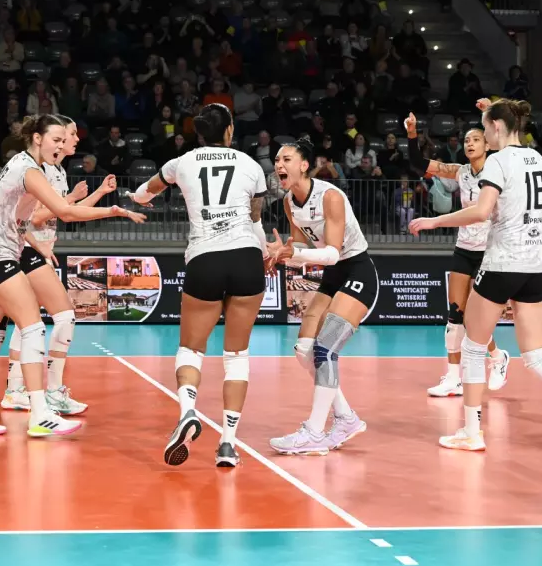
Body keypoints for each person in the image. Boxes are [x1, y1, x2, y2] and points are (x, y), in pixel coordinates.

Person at [409, 99, 542, 457]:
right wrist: (497, 107)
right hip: (533, 267)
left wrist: (433, 221)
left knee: (473, 347)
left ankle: (471, 432)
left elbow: (481, 211)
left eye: (484, 127)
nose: (482, 135)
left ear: (496, 127)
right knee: (537, 356)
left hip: (501, 263)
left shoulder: (497, 161)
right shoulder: (537, 158)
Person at [0, 114, 146, 437]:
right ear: (37, 138)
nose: (60, 145)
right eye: (56, 139)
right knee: (33, 328)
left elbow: (22, 218)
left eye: (62, 140)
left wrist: (34, 241)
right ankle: (41, 412)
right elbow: (65, 212)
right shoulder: (29, 170)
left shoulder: (26, 165)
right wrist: (114, 210)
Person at [128, 103, 269, 468]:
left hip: (205, 259)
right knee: (236, 355)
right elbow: (255, 219)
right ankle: (228, 444)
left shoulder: (182, 162)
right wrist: (265, 250)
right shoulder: (251, 165)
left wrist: (135, 198)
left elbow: (146, 191)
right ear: (230, 130)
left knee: (191, 349)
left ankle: (188, 411)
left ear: (199, 133)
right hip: (247, 257)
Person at [2, 114, 118, 415]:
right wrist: (76, 201)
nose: (76, 139)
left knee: (25, 323)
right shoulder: (42, 170)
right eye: (71, 134)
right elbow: (39, 217)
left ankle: (15, 390)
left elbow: (69, 212)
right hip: (28, 248)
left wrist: (98, 194)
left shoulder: (57, 170)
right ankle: (51, 391)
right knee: (64, 316)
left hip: (32, 249)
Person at [264, 140, 375, 455]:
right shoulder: (289, 202)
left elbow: (332, 253)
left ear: (303, 165)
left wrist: (294, 254)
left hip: (356, 271)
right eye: (277, 159)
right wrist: (282, 254)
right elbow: (302, 248)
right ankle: (346, 418)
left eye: (286, 159)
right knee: (305, 351)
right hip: (333, 276)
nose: (279, 164)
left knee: (325, 349)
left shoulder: (330, 196)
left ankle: (314, 432)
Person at [404, 109, 510, 397]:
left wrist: (491, 114)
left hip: (489, 251)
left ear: (488, 144)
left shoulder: (499, 170)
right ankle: (453, 378)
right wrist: (412, 134)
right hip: (464, 249)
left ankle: (497, 357)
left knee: (475, 319)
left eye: (476, 139)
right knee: (455, 315)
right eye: (466, 140)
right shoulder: (460, 172)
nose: (470, 144)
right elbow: (418, 163)